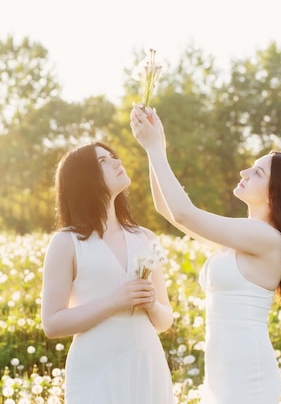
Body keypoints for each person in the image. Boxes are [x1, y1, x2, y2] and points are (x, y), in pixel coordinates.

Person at [130, 104, 281, 404]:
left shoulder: (266, 238)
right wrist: (156, 148)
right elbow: (166, 209)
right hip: (223, 370)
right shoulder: (242, 237)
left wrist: (155, 148)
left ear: (276, 193)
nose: (244, 172)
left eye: (257, 172)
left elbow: (183, 214)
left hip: (247, 372)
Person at [41, 141, 175, 404]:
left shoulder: (145, 237)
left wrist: (151, 303)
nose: (117, 162)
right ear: (83, 179)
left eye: (113, 156)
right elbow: (52, 323)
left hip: (146, 363)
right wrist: (115, 301)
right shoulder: (66, 242)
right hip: (96, 367)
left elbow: (164, 321)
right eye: (103, 161)